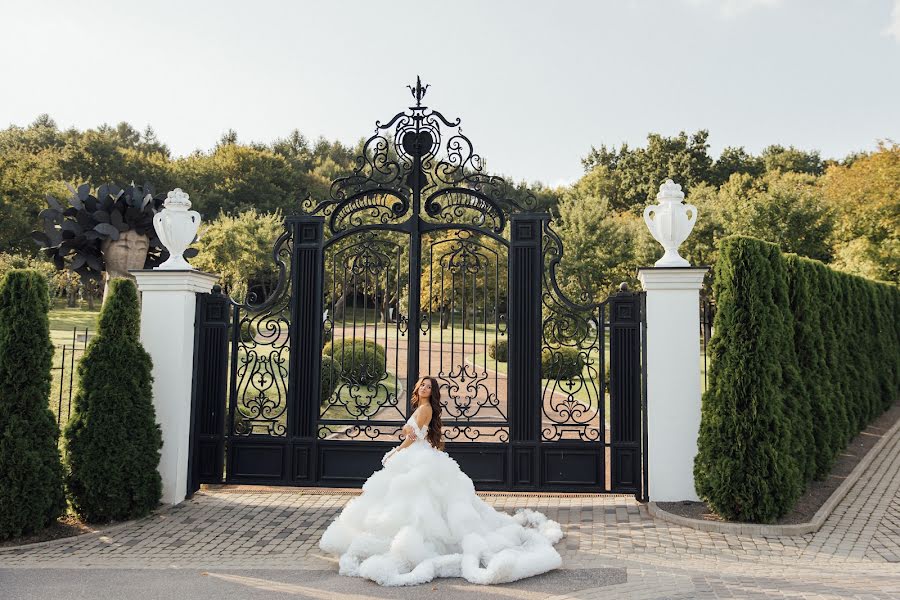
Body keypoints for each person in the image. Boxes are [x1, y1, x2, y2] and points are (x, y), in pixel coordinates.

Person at [319, 376, 564, 586]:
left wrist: (397, 450)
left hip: (418, 455)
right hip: (418, 454)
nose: (425, 388)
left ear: (432, 392)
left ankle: (422, 540)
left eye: (429, 386)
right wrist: (402, 444)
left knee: (418, 497)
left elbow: (414, 436)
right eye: (422, 385)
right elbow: (413, 434)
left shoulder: (425, 410)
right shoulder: (421, 407)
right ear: (417, 388)